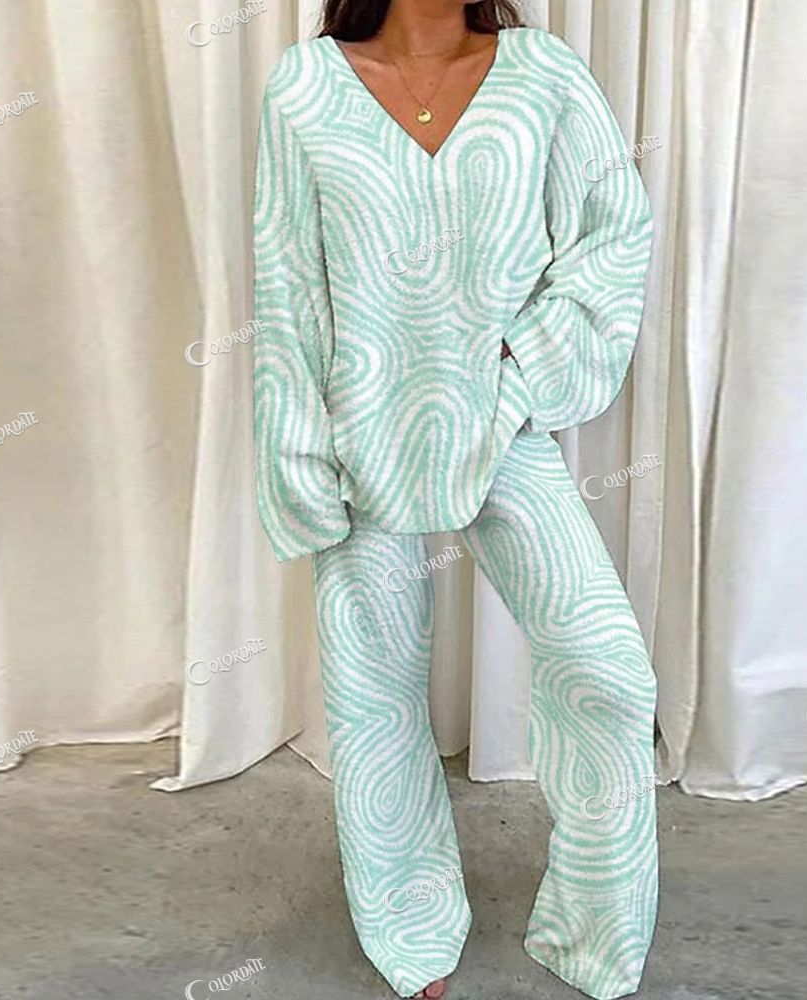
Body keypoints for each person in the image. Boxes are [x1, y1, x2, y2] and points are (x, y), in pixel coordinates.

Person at [251, 1, 657, 997]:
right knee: (373, 693)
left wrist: (524, 366)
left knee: (607, 672)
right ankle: (412, 929)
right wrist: (299, 447)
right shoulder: (306, 86)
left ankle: (593, 925)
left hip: (501, 423)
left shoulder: (543, 74)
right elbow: (286, 279)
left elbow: (614, 233)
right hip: (358, 430)